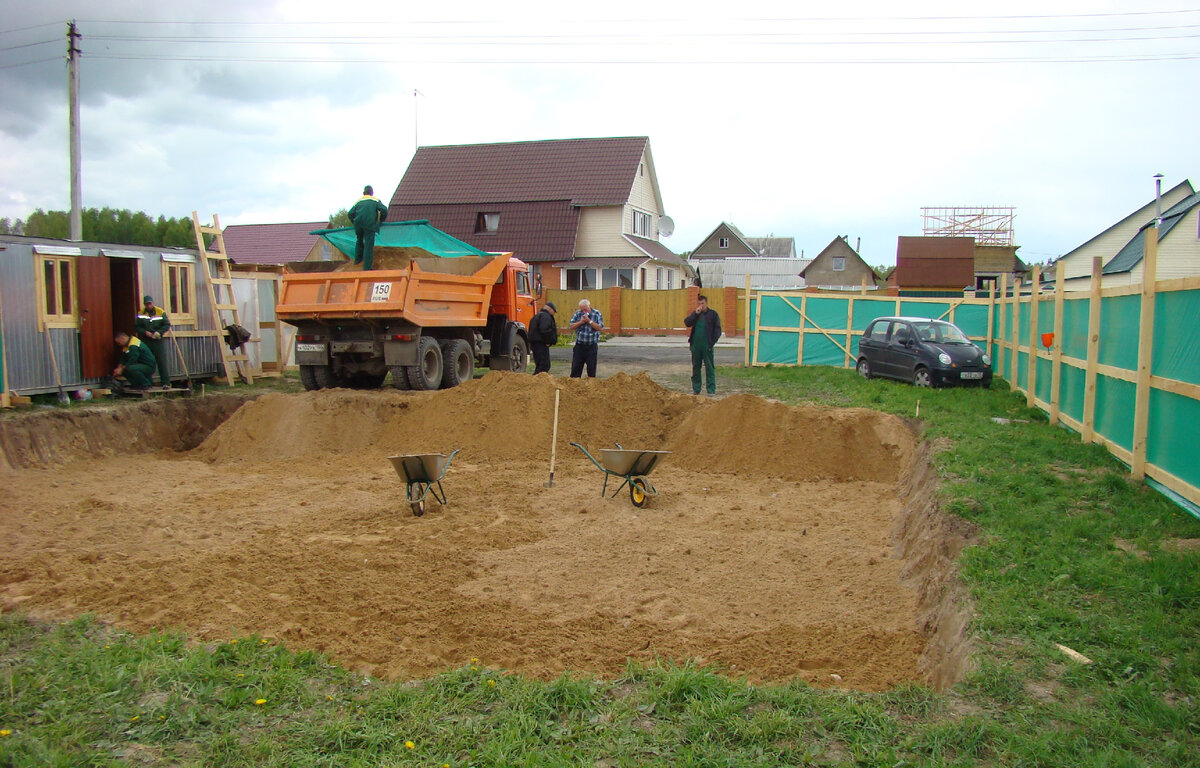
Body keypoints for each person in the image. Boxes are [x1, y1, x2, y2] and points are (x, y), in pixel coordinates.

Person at [684, 294, 722, 395]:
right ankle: (696, 389)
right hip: (696, 346)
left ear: (706, 303)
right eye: (699, 303)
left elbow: (718, 330)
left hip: (707, 346)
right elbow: (687, 323)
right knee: (696, 367)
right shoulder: (696, 314)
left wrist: (711, 343)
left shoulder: (713, 315)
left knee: (709, 367)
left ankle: (711, 390)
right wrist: (695, 314)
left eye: (703, 303)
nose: (701, 305)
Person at [348, 184, 389, 270]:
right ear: (372, 193)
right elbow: (384, 210)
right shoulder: (375, 200)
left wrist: (354, 222)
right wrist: (380, 220)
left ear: (363, 193)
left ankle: (357, 261)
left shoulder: (358, 202)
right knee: (368, 245)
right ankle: (367, 268)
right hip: (370, 224)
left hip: (358, 224)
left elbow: (350, 214)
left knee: (359, 240)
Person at [135, 294, 171, 388]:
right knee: (147, 361)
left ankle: (165, 383)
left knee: (161, 361)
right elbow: (137, 327)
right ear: (144, 304)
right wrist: (145, 332)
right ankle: (148, 382)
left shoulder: (160, 312)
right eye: (147, 304)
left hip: (157, 340)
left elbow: (167, 324)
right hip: (146, 340)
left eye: (150, 304)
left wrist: (159, 332)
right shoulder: (141, 313)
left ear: (153, 303)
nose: (148, 306)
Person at [568, 299, 604, 378]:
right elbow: (571, 326)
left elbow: (600, 328)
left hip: (592, 346)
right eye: (582, 310)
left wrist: (589, 321)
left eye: (585, 309)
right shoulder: (578, 314)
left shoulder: (597, 314)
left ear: (589, 306)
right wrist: (581, 322)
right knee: (576, 369)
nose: (584, 312)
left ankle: (591, 386)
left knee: (591, 369)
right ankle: (574, 385)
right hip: (579, 346)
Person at [529, 301, 558, 374]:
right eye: (554, 311)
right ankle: (537, 381)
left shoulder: (537, 316)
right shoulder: (546, 317)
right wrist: (548, 341)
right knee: (544, 365)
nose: (554, 313)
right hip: (541, 344)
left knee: (539, 364)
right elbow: (545, 330)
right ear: (550, 309)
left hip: (534, 343)